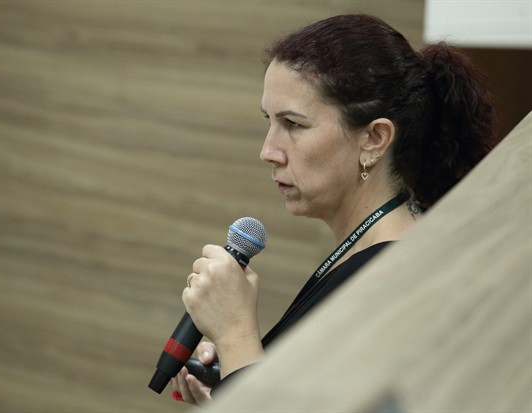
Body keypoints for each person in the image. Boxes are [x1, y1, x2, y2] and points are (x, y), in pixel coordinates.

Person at [170, 14, 495, 405]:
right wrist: (232, 377)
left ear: (374, 139)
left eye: (293, 124)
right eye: (269, 121)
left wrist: (235, 334)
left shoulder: (391, 284)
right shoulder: (373, 243)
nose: (268, 151)